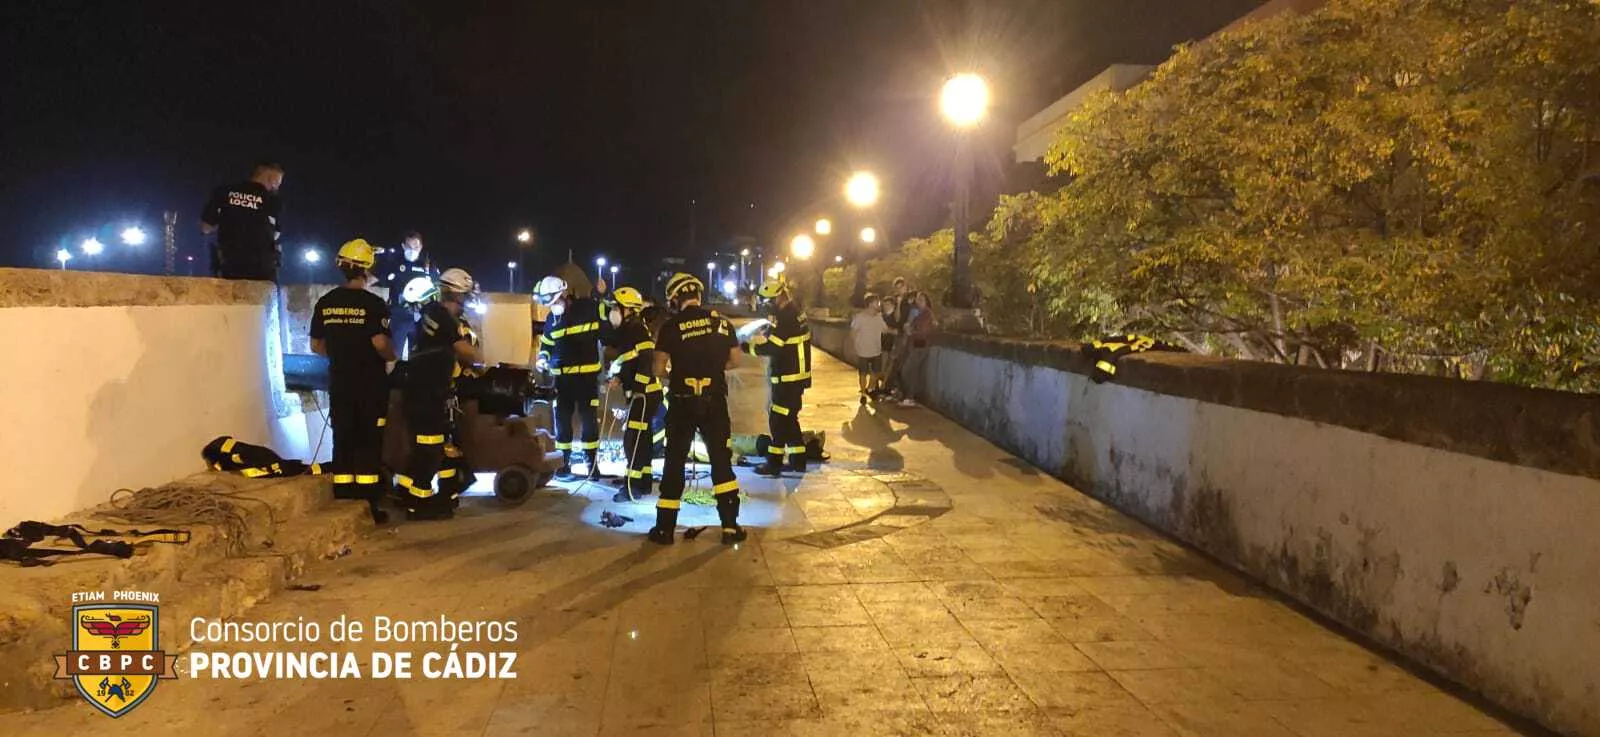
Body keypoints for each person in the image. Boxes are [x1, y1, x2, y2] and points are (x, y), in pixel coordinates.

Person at [650, 273, 744, 545]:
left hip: (682, 400)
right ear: (699, 295)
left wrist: (677, 376)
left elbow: (658, 368)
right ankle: (729, 527)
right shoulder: (722, 324)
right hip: (714, 400)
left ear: (676, 298)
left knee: (674, 462)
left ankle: (665, 529)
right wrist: (713, 372)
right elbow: (735, 360)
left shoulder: (670, 327)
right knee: (721, 461)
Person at [309, 239, 395, 524]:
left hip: (340, 382)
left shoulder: (326, 302)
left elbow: (316, 345)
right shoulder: (373, 304)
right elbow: (379, 342)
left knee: (343, 437)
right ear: (366, 268)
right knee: (369, 440)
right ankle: (368, 501)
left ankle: (343, 493)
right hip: (370, 384)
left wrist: (340, 353)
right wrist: (391, 357)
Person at [394, 268, 480, 520]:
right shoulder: (443, 317)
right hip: (428, 394)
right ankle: (419, 504)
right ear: (456, 293)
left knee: (431, 447)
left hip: (424, 391)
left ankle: (409, 492)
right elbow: (466, 352)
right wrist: (482, 359)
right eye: (466, 294)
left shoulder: (432, 314)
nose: (468, 300)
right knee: (429, 449)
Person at [534, 275, 608, 481]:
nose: (553, 306)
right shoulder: (552, 319)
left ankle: (591, 464)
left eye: (555, 301)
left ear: (564, 295)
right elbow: (547, 344)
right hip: (563, 381)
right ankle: (563, 464)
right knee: (562, 422)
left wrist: (601, 295)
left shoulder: (587, 308)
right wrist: (542, 357)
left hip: (586, 378)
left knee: (589, 421)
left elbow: (605, 320)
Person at [745, 275, 812, 477]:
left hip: (788, 377)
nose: (767, 305)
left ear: (779, 296)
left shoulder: (786, 317)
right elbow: (782, 338)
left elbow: (774, 347)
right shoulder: (793, 311)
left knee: (778, 419)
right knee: (789, 418)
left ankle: (773, 463)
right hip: (795, 375)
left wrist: (750, 348)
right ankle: (798, 459)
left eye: (769, 301)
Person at [605, 287, 662, 502]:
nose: (613, 311)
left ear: (626, 309)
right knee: (642, 439)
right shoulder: (631, 329)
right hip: (644, 395)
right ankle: (643, 482)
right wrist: (620, 377)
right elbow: (632, 361)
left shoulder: (636, 329)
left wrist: (638, 389)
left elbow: (647, 359)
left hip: (644, 395)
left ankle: (632, 486)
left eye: (615, 307)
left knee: (633, 441)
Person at [200, 162, 284, 281]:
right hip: (263, 267)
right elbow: (276, 234)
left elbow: (206, 227)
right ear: (270, 179)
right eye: (277, 183)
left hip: (230, 264)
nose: (276, 187)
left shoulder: (223, 192)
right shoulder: (272, 200)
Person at [377, 232, 438, 359]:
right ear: (403, 246)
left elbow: (436, 289)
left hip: (421, 319)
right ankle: (392, 378)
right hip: (398, 316)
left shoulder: (428, 266)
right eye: (409, 247)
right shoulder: (395, 263)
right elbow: (377, 279)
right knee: (393, 355)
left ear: (421, 247)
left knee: (418, 356)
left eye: (415, 247)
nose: (412, 250)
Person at [898, 291, 936, 407]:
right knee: (911, 371)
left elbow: (924, 331)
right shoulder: (919, 314)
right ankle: (909, 396)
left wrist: (911, 331)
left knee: (908, 370)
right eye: (917, 300)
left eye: (921, 300)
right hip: (916, 344)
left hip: (921, 344)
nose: (918, 302)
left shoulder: (927, 314)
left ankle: (910, 397)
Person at [850, 293, 890, 405]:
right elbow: (853, 332)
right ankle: (863, 393)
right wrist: (855, 346)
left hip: (876, 349)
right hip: (863, 349)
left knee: (876, 372)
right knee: (863, 373)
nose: (878, 304)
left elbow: (885, 330)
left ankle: (869, 388)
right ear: (870, 304)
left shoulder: (879, 317)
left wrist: (895, 330)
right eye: (876, 302)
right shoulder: (860, 317)